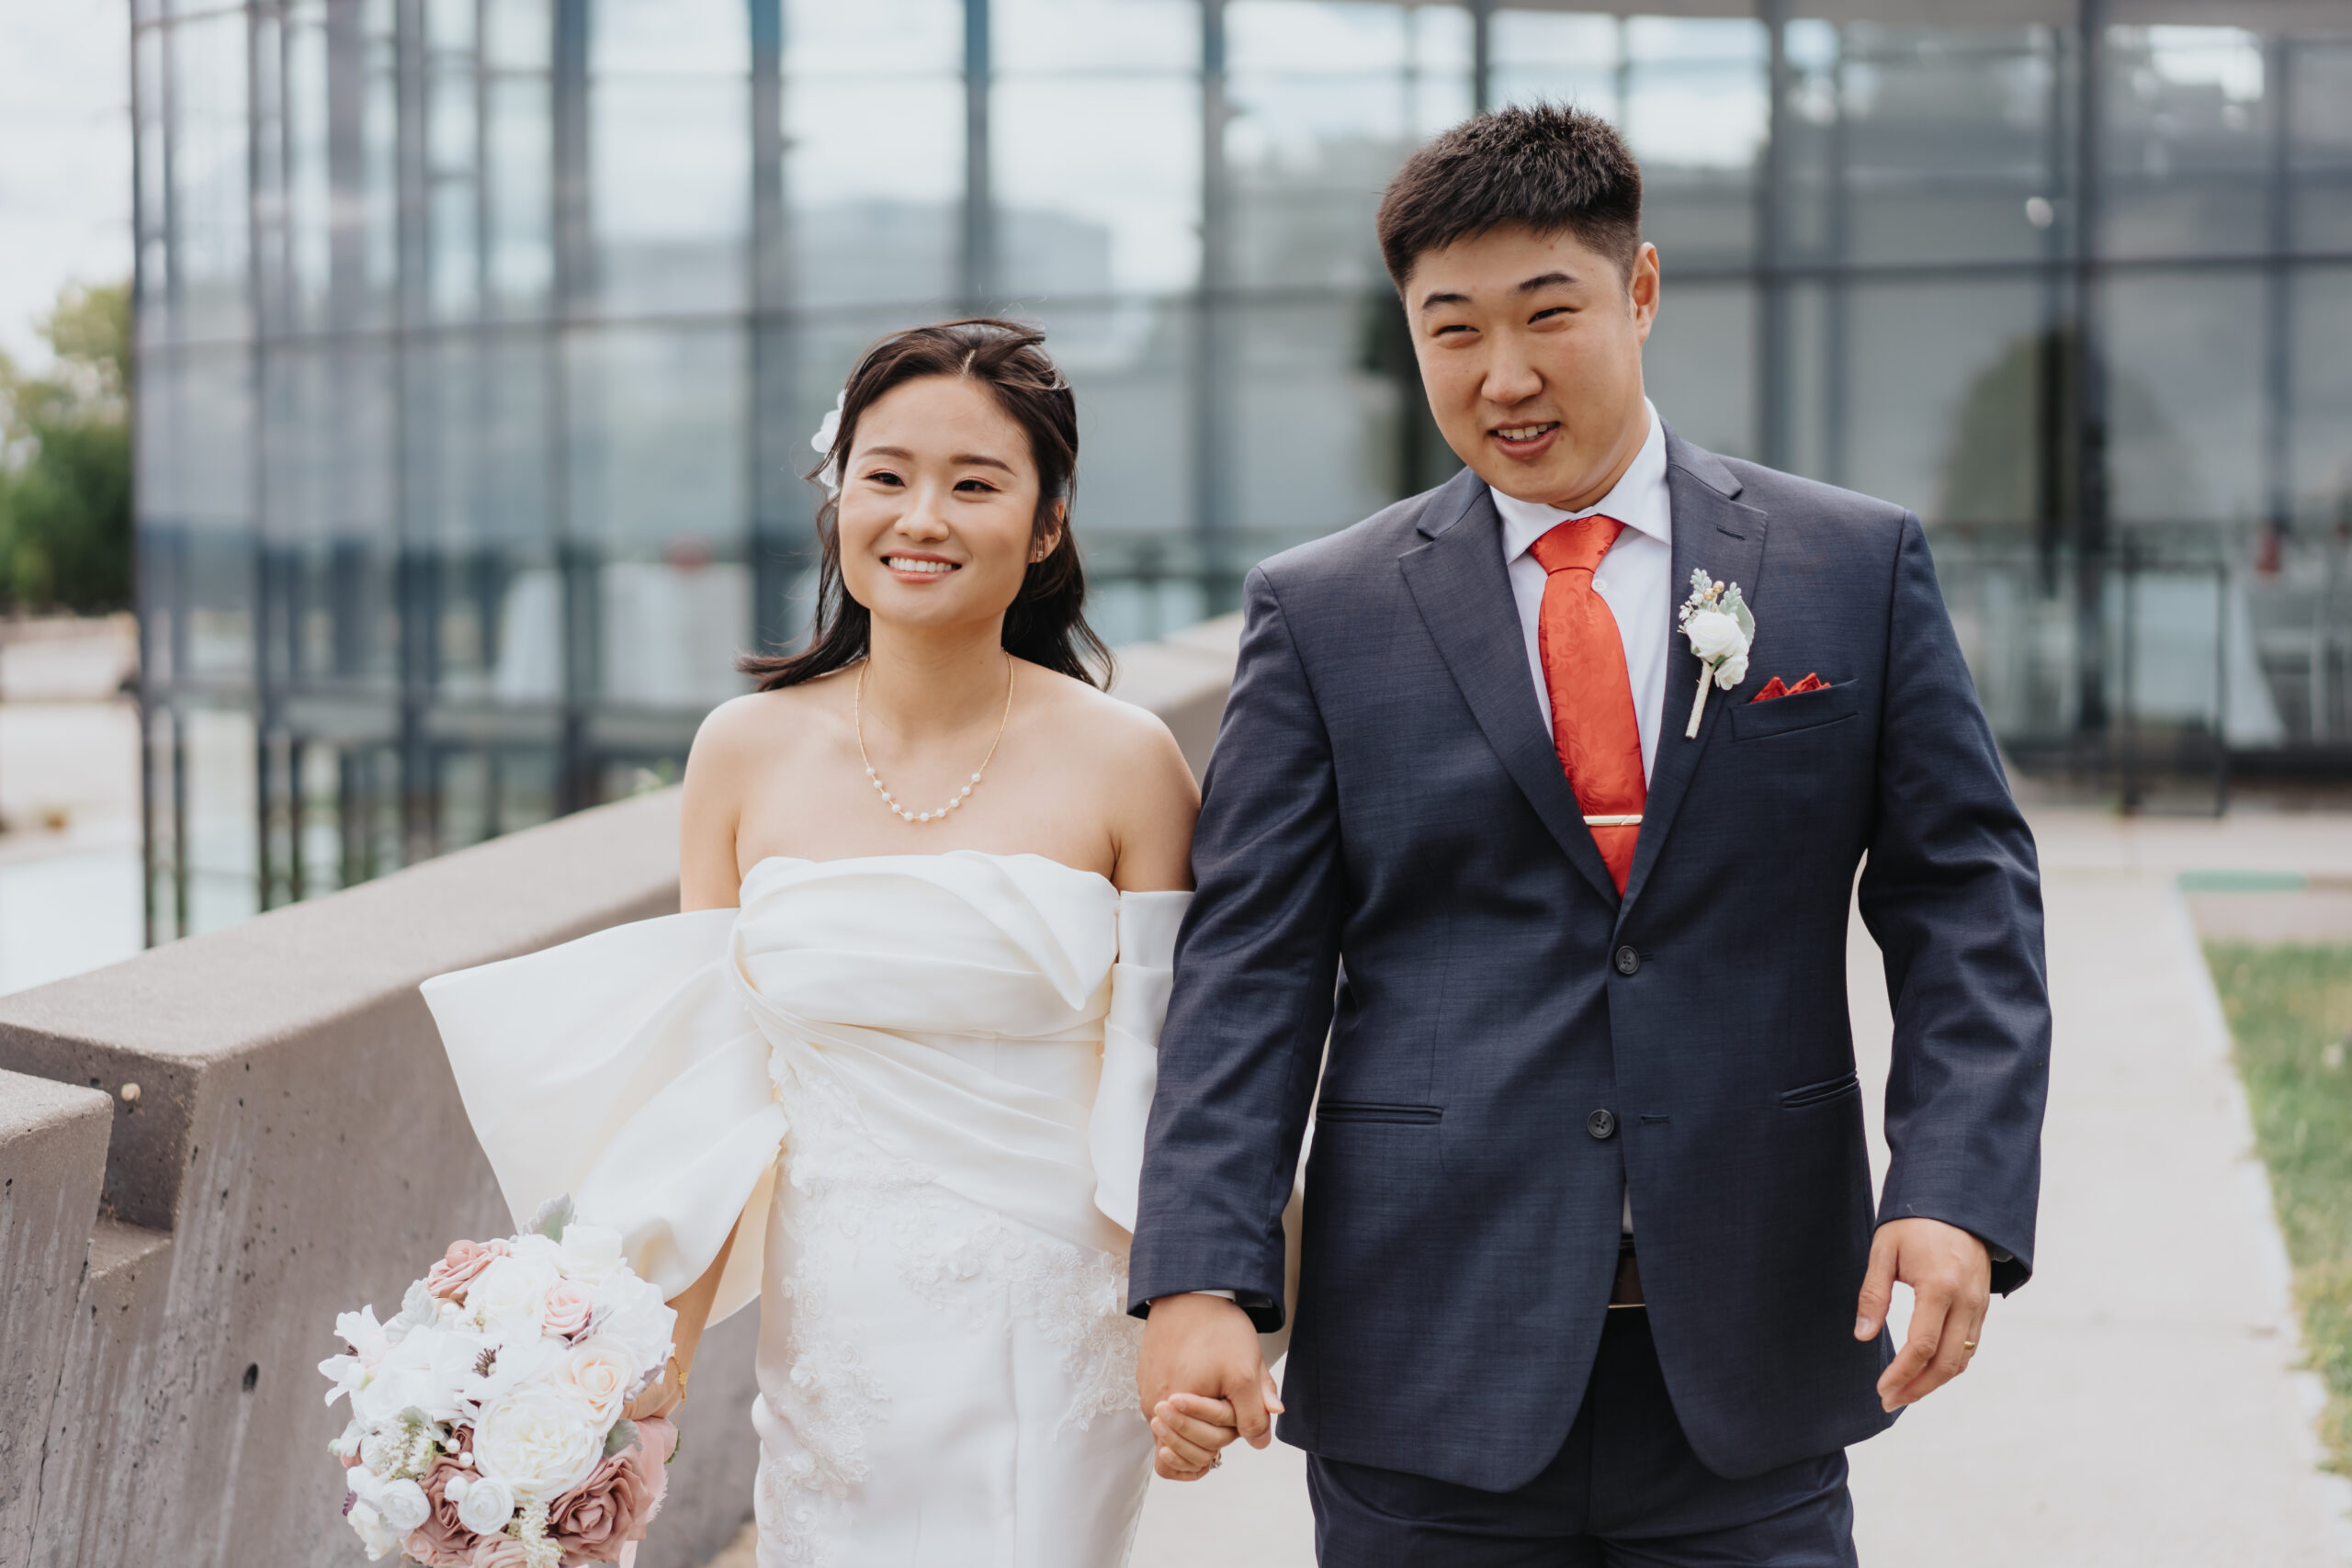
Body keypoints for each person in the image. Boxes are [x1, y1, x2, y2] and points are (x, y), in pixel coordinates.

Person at [1129, 105, 2052, 1565]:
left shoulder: (1849, 565)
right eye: (1452, 330)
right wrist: (1201, 1274)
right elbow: (1253, 966)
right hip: (1427, 1366)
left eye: (1547, 313)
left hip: (1751, 1360)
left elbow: (1966, 904)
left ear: (1641, 290)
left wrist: (1953, 1191)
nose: (1503, 375)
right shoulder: (1322, 614)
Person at [424, 320, 1245, 1567]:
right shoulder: (740, 752)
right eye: (887, 475)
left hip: (1054, 1318)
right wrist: (637, 1377)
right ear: (840, 495)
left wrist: (1191, 1307)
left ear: (1047, 525)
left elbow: (1174, 1068)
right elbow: (709, 1093)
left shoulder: (1127, 760)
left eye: (975, 485)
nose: (921, 517)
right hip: (834, 1335)